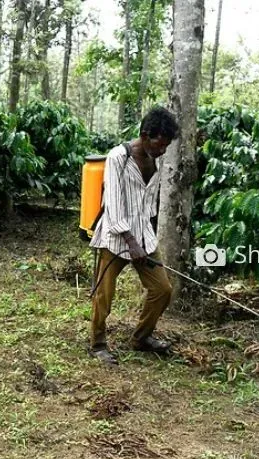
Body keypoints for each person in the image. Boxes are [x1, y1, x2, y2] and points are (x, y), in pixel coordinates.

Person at [88, 106, 179, 365]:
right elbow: (114, 204)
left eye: (166, 146)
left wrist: (144, 240)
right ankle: (98, 344)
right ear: (144, 134)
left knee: (162, 289)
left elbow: (150, 202)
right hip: (116, 238)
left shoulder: (157, 160)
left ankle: (141, 338)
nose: (163, 151)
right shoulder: (119, 157)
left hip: (143, 237)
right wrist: (130, 242)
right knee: (103, 294)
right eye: (160, 144)